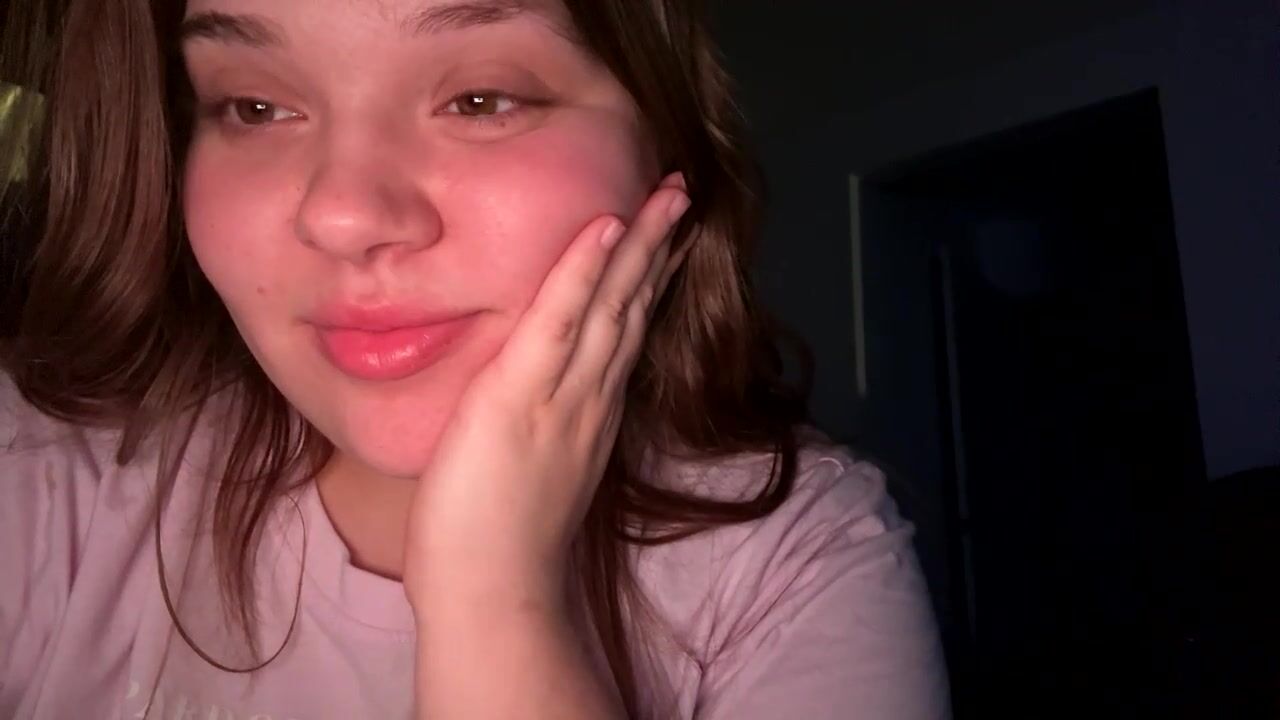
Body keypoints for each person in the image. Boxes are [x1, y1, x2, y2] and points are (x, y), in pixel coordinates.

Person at [0, 0, 951, 718]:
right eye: (254, 106)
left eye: (480, 100)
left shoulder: (799, 564)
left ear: (663, 143)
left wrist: (496, 603)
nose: (343, 216)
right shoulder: (40, 478)